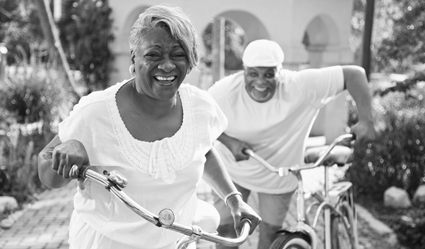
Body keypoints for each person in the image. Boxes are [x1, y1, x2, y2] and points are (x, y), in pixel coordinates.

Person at [37, 5, 261, 249]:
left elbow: (203, 150)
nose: (167, 66)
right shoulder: (96, 112)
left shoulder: (200, 106)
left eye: (178, 54)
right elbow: (48, 175)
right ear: (134, 57)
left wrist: (234, 199)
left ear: (191, 59)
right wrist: (69, 150)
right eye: (154, 55)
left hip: (176, 240)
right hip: (106, 243)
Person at [207, 39, 376, 249]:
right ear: (244, 71)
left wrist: (367, 121)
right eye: (253, 73)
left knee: (270, 237)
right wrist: (229, 141)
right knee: (226, 233)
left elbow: (354, 74)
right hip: (232, 171)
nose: (260, 81)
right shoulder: (223, 93)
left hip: (278, 174)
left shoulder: (300, 86)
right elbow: (201, 119)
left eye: (269, 74)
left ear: (280, 71)